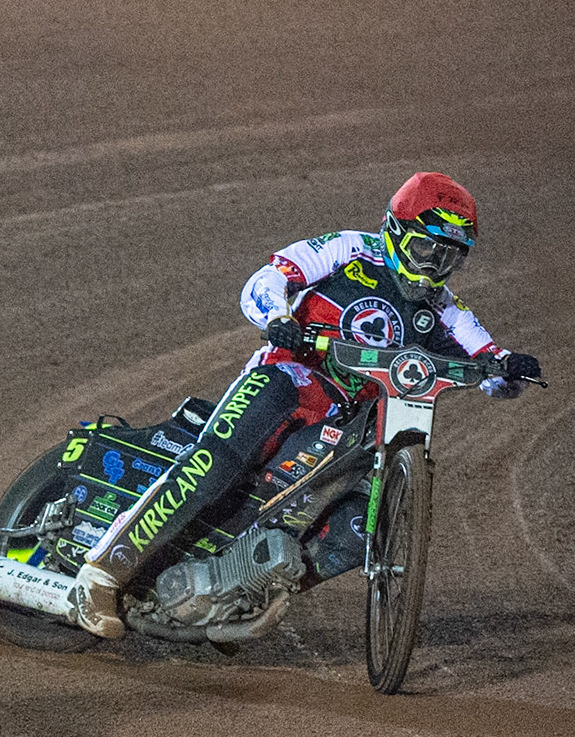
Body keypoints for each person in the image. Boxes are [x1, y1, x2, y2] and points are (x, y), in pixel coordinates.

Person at [68, 172, 542, 640]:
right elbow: (267, 279)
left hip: (355, 424)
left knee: (361, 527)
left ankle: (239, 594)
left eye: (449, 258)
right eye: (426, 251)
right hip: (291, 376)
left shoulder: (445, 309)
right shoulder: (347, 250)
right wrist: (277, 318)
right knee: (215, 464)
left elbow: (489, 364)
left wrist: (509, 369)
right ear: (396, 232)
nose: (434, 268)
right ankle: (101, 575)